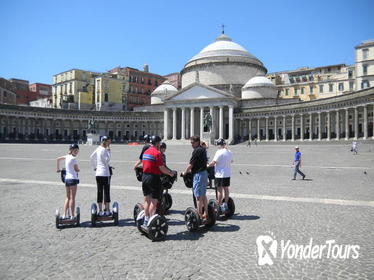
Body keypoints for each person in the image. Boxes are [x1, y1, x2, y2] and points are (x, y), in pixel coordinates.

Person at [141, 135, 175, 228]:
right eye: (159, 143)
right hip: (153, 178)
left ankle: (146, 219)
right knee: (154, 201)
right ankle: (151, 221)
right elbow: (162, 168)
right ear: (157, 143)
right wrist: (170, 173)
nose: (160, 145)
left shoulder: (146, 152)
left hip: (144, 177)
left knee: (146, 200)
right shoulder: (157, 153)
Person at [182, 136, 209, 221]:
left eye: (193, 143)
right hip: (204, 173)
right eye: (191, 143)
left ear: (197, 142)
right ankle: (206, 213)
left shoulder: (196, 151)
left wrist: (184, 172)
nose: (192, 144)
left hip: (198, 175)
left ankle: (199, 215)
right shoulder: (203, 149)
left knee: (198, 196)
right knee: (203, 194)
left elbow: (191, 164)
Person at [207, 138, 233, 213]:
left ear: (219, 145)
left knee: (219, 190)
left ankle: (219, 204)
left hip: (219, 174)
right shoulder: (229, 151)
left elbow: (214, 162)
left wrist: (208, 165)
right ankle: (225, 204)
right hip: (227, 173)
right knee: (226, 189)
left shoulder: (219, 152)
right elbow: (231, 161)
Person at [56, 144, 80, 219]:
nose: (76, 152)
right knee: (72, 198)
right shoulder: (73, 159)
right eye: (75, 150)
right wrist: (79, 169)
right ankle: (72, 215)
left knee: (67, 197)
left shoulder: (66, 156)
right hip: (73, 179)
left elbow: (58, 159)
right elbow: (76, 169)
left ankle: (64, 214)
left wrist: (58, 169)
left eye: (77, 150)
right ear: (71, 150)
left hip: (66, 179)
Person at [90, 136, 112, 216]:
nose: (109, 144)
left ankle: (100, 210)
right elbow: (107, 160)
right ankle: (107, 210)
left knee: (99, 191)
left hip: (98, 173)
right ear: (105, 142)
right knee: (106, 191)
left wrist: (95, 167)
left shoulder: (98, 148)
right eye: (108, 142)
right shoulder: (105, 150)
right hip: (105, 174)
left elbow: (91, 157)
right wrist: (109, 152)